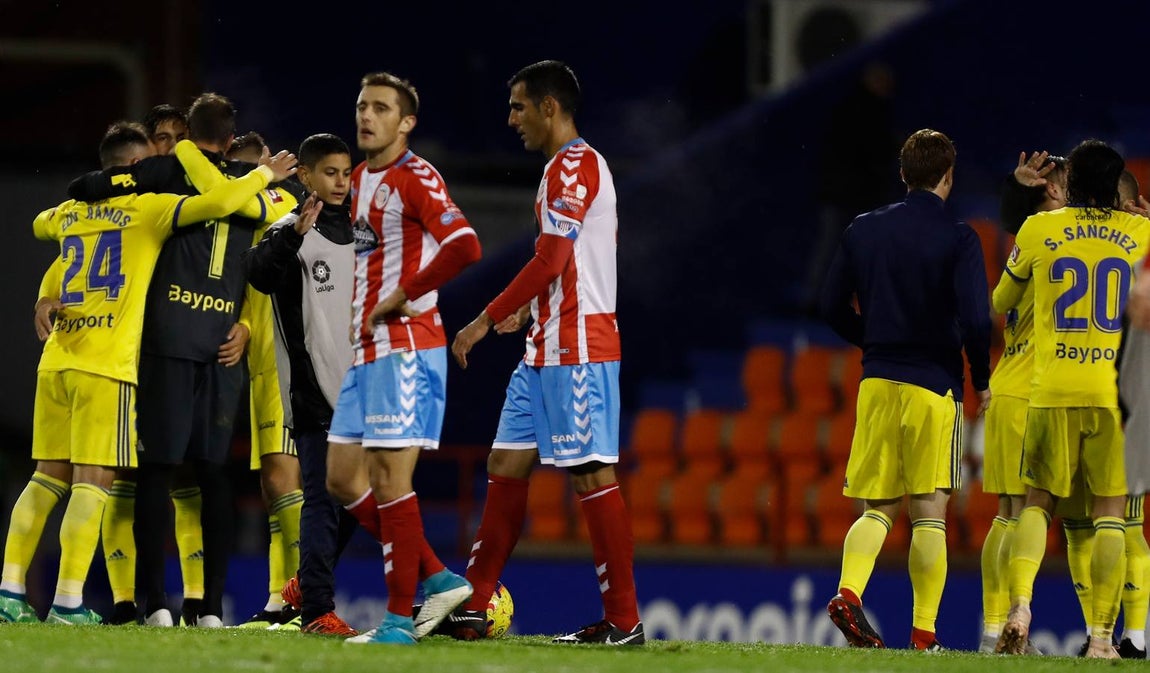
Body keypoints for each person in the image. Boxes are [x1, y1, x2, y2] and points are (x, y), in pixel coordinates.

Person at [0, 122, 297, 625]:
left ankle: (9, 592)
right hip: (110, 364)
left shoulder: (73, 211)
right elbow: (220, 204)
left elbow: (41, 224)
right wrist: (266, 175)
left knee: (47, 477)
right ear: (138, 167)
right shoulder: (149, 210)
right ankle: (72, 603)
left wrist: (45, 294)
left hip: (57, 358)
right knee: (99, 482)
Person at [450, 60, 644, 646]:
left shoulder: (577, 167)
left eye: (518, 106)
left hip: (578, 348)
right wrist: (528, 311)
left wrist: (483, 319)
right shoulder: (558, 170)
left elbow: (552, 260)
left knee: (590, 475)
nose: (512, 119)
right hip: (543, 345)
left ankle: (624, 620)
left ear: (550, 107)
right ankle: (475, 605)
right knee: (505, 464)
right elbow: (568, 267)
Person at [819, 128, 992, 651]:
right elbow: (978, 321)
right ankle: (923, 636)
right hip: (933, 386)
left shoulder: (863, 230)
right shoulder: (959, 237)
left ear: (902, 174)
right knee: (930, 511)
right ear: (948, 176)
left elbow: (829, 306)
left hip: (877, 383)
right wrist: (980, 378)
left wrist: (870, 339)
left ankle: (848, 594)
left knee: (877, 507)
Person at [324, 71, 481, 645]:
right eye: (362, 105)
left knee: (392, 479)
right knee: (343, 477)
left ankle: (397, 623)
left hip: (408, 348)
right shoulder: (361, 178)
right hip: (368, 351)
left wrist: (402, 294)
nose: (367, 116)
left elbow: (466, 244)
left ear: (406, 122)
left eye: (381, 109)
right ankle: (438, 576)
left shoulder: (417, 178)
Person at [994, 139, 1150, 658]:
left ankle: (1019, 606)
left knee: (1037, 504)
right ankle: (1104, 640)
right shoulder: (1142, 233)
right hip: (1115, 396)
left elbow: (1000, 301)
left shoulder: (1039, 229)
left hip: (1053, 388)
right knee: (1111, 514)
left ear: (1070, 183)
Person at [242, 133, 362, 636]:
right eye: (329, 172)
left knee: (362, 499)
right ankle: (316, 608)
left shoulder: (364, 231)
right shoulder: (287, 231)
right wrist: (292, 231)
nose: (340, 182)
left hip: (362, 388)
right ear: (305, 176)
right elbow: (259, 276)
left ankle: (303, 584)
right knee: (320, 499)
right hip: (313, 391)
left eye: (346, 172)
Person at [978, 151, 1067, 653]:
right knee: (1020, 513)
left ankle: (995, 630)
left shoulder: (1030, 239)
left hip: (1011, 383)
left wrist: (1016, 193)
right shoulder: (1056, 237)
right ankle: (1001, 627)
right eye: (1065, 180)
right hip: (1033, 389)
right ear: (1052, 191)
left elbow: (997, 301)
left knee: (1007, 513)